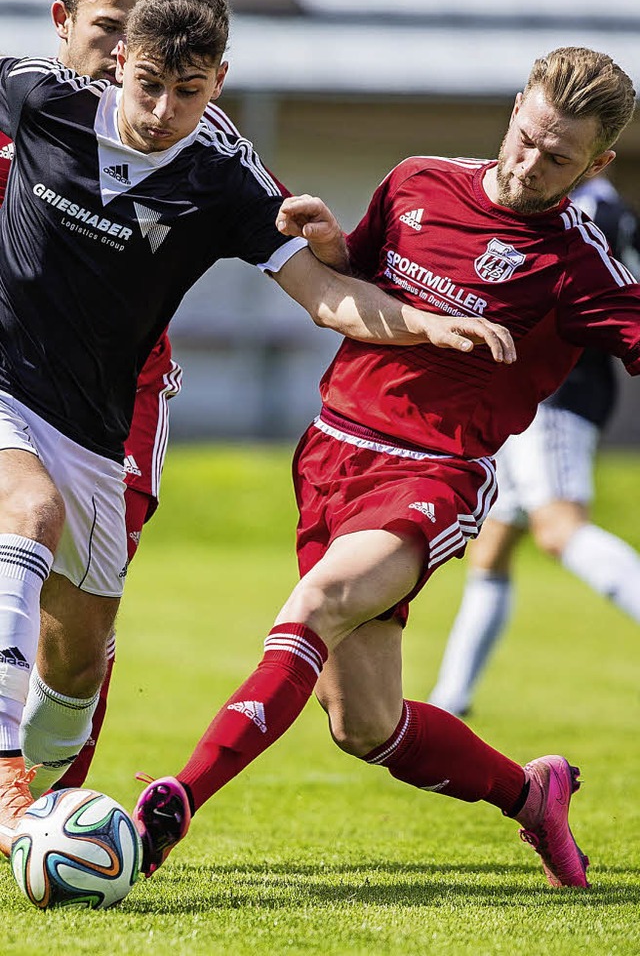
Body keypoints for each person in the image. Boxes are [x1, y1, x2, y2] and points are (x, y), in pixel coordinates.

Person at [0, 0, 511, 853]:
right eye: (148, 83)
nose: (162, 110)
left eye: (188, 92)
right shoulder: (40, 96)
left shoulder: (222, 177)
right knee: (26, 513)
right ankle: (6, 775)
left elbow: (325, 297)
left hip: (92, 426)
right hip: (8, 386)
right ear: (119, 60)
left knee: (77, 672)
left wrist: (427, 321)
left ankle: (41, 784)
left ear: (220, 81)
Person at [132, 46, 640, 892]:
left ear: (598, 164)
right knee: (363, 724)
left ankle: (176, 804)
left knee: (318, 603)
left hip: (432, 472)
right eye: (526, 137)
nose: (529, 165)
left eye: (558, 159)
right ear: (516, 107)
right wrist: (334, 246)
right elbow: (360, 286)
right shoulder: (417, 180)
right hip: (329, 449)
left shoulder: (576, 263)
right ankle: (532, 792)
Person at [429, 176, 640, 717]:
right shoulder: (597, 204)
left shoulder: (590, 208)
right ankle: (451, 700)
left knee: (558, 528)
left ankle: (450, 700)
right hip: (534, 395)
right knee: (493, 547)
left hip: (559, 392)